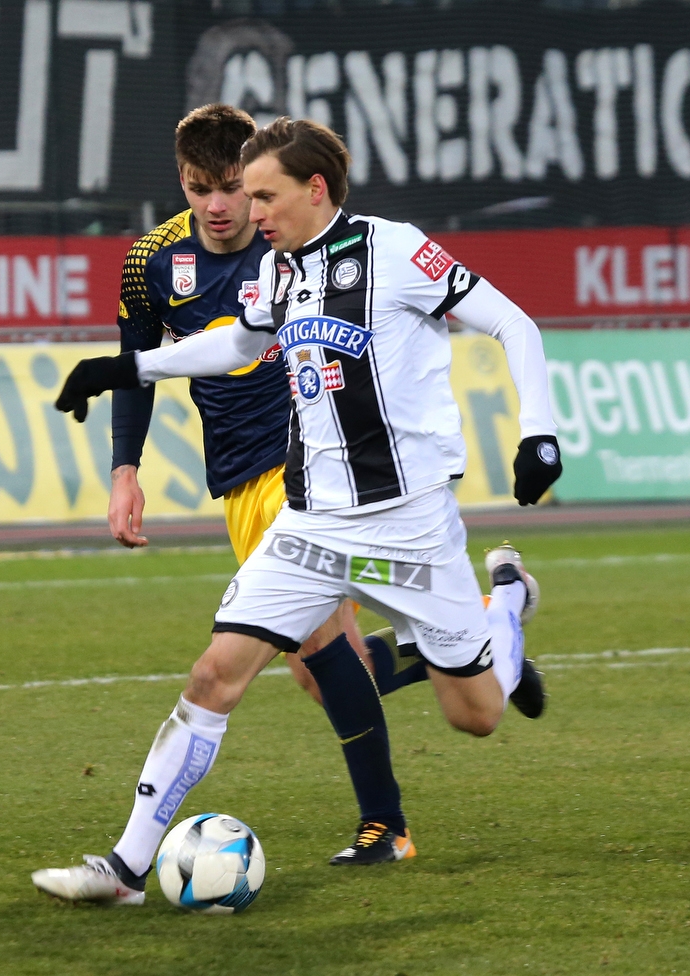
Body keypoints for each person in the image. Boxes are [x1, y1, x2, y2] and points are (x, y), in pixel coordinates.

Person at [34, 117, 561, 906]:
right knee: (215, 675)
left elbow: (512, 321)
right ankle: (124, 869)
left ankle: (507, 611)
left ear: (315, 189)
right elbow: (241, 343)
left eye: (264, 196)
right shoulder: (278, 270)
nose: (252, 212)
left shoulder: (395, 250)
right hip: (308, 521)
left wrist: (540, 435)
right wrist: (127, 365)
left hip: (410, 523)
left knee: (476, 714)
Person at [87, 103, 421, 870]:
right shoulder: (151, 263)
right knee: (323, 671)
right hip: (239, 481)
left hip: (310, 466)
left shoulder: (294, 241)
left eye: (234, 187)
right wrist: (125, 472)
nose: (219, 205)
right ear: (182, 180)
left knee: (285, 654)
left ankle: (386, 824)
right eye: (201, 187)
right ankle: (463, 641)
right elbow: (136, 371)